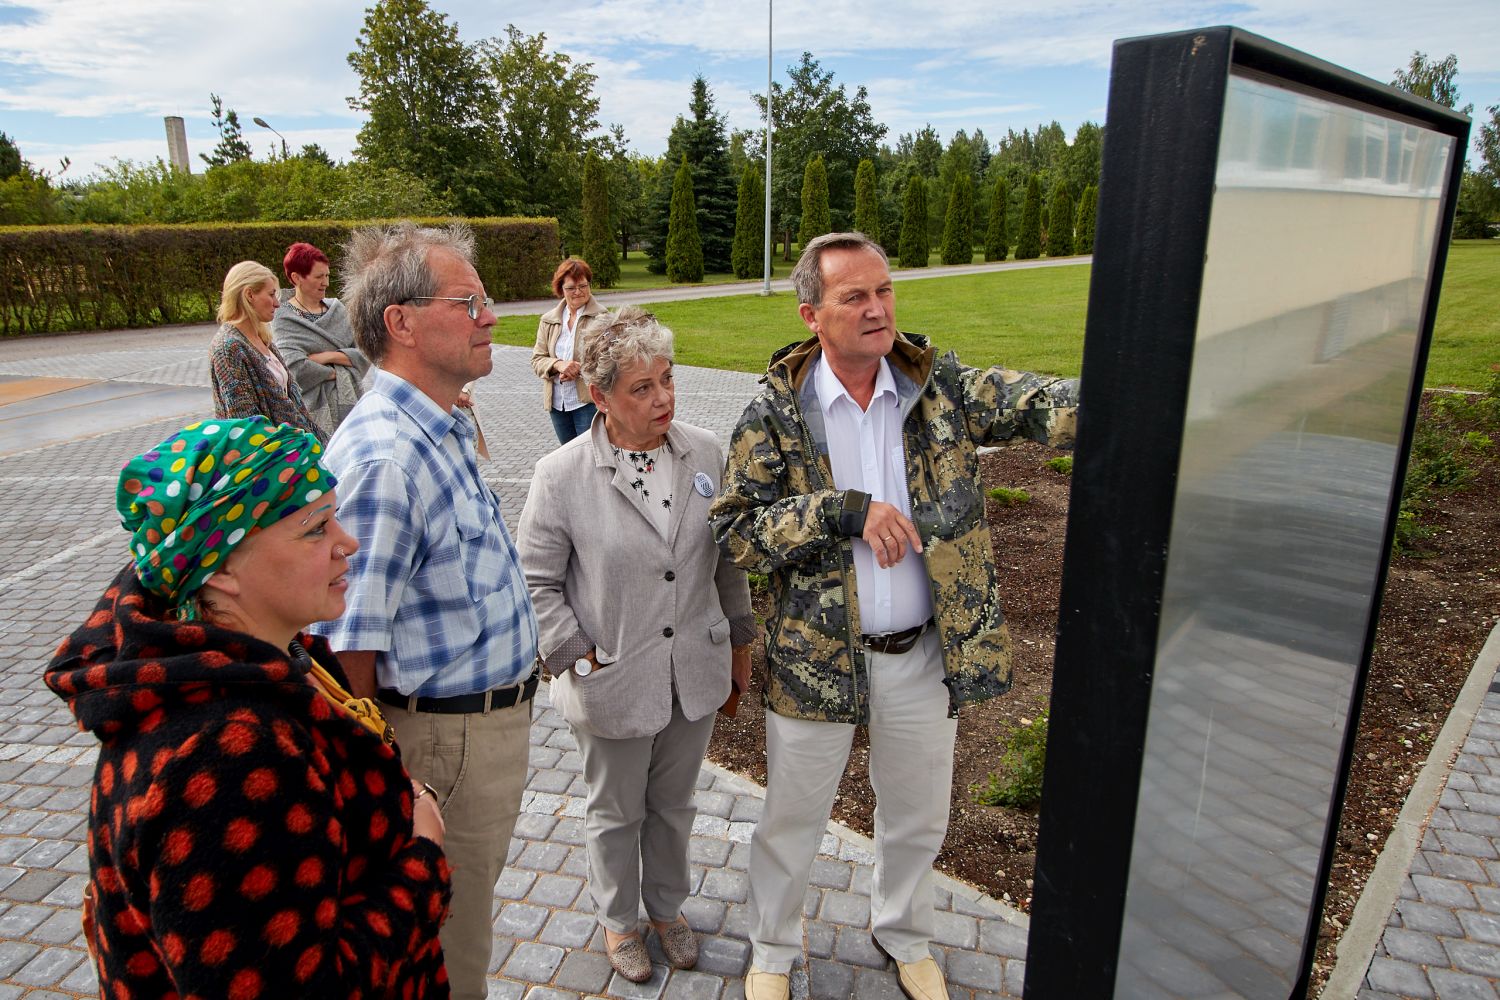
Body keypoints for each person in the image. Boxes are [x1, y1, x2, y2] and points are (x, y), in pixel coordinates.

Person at [710, 232, 1079, 1000]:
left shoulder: (934, 386)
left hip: (921, 656)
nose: (878, 309)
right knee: (792, 822)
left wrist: (1143, 386)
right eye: (855, 297)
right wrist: (841, 512)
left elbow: (1035, 403)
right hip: (817, 663)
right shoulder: (775, 412)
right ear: (813, 313)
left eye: (884, 291)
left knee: (917, 815)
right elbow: (738, 529)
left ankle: (904, 932)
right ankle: (773, 952)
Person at [44, 417, 452, 998]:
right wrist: (424, 863)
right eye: (315, 529)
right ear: (223, 569)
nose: (348, 541)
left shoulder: (274, 654)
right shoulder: (225, 755)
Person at [310, 222, 539, 1000]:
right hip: (440, 748)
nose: (492, 318)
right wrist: (393, 782)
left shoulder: (432, 423)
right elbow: (346, 647)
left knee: (462, 931)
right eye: (468, 302)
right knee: (445, 956)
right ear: (400, 322)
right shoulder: (385, 454)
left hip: (469, 738)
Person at [517, 307, 755, 982]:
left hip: (695, 672)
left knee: (675, 806)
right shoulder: (560, 474)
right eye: (642, 388)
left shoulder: (705, 450)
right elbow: (535, 580)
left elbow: (728, 559)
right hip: (613, 675)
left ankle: (667, 909)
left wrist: (739, 642)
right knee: (616, 811)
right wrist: (576, 655)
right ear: (600, 397)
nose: (663, 399)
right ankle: (620, 921)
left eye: (668, 380)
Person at [210, 260, 323, 440]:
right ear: (249, 295)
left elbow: (290, 401)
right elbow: (245, 425)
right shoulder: (229, 348)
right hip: (273, 458)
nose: (277, 304)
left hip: (294, 447)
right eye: (271, 294)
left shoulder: (262, 338)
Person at [273, 241, 373, 437]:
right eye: (319, 277)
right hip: (308, 413)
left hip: (353, 406)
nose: (326, 283)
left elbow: (364, 354)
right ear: (296, 278)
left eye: (327, 275)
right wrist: (344, 370)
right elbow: (295, 369)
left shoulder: (338, 310)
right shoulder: (283, 318)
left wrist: (326, 357)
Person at [531, 257, 608, 443]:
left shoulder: (602, 318)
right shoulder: (549, 320)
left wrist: (577, 370)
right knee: (568, 457)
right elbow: (537, 360)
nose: (578, 292)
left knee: (589, 457)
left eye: (583, 286)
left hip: (588, 403)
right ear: (561, 289)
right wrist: (558, 365)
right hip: (558, 404)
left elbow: (609, 361)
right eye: (571, 288)